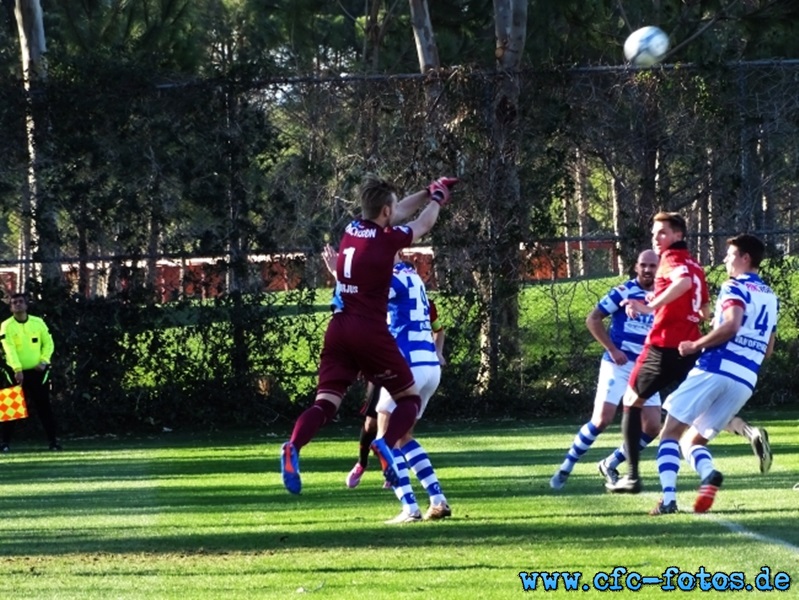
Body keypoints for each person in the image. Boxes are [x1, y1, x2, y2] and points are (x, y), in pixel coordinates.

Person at [280, 174, 457, 495]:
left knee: (325, 404)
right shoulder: (387, 243)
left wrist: (425, 190)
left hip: (338, 328)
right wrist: (437, 199)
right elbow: (422, 225)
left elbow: (397, 210)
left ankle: (293, 446)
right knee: (409, 400)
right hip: (369, 330)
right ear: (385, 213)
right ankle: (386, 446)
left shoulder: (351, 229)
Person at [649, 234, 778, 515]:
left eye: (730, 255)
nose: (725, 260)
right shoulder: (770, 296)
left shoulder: (734, 286)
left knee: (670, 432)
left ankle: (668, 500)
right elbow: (769, 349)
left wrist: (695, 344)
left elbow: (731, 326)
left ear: (745, 258)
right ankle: (709, 475)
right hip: (746, 378)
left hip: (716, 367)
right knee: (693, 441)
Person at [606, 211, 710, 494]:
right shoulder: (696, 264)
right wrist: (657, 301)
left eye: (662, 232)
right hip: (689, 348)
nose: (657, 237)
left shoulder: (671, 259)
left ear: (678, 235)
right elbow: (703, 310)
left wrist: (649, 306)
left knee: (631, 402)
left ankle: (631, 476)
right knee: (701, 409)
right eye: (654, 233)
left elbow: (682, 283)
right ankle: (747, 430)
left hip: (662, 348)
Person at [550, 249, 661, 489]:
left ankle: (610, 463)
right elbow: (593, 319)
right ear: (636, 266)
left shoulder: (663, 296)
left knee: (653, 426)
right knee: (602, 419)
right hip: (618, 364)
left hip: (646, 366)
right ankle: (566, 467)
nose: (648, 270)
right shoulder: (623, 291)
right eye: (644, 265)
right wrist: (612, 349)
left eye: (653, 266)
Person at [345, 296, 446, 490]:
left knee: (401, 429)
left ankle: (394, 475)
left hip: (408, 367)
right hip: (383, 366)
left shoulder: (424, 302)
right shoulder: (382, 300)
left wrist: (438, 352)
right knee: (371, 423)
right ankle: (362, 463)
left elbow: (439, 330)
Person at [0, 293, 61, 452]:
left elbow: (48, 343)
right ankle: (5, 443)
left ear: (26, 305)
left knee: (44, 407)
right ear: (11, 307)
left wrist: (43, 361)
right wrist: (17, 369)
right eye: (14, 303)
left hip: (38, 373)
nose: (18, 305)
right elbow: (9, 349)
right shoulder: (6, 326)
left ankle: (53, 442)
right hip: (14, 373)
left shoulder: (38, 322)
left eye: (21, 302)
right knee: (10, 409)